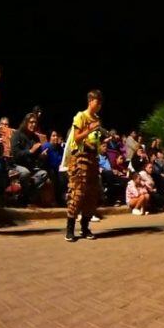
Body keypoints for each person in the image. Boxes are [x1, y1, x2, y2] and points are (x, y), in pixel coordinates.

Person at [62, 90, 105, 241]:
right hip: (80, 159)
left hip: (93, 159)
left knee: (92, 194)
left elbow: (96, 141)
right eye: (97, 101)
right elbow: (77, 137)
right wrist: (91, 129)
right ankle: (70, 229)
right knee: (77, 193)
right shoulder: (81, 116)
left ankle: (85, 228)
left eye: (101, 102)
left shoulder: (97, 119)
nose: (99, 104)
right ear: (90, 100)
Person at [10, 113, 51, 207]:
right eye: (31, 122)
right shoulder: (17, 134)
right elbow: (16, 154)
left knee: (43, 174)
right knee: (25, 173)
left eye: (35, 122)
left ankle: (25, 196)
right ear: (26, 122)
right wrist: (30, 151)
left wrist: (41, 156)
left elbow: (36, 158)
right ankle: (25, 198)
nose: (33, 124)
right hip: (16, 165)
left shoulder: (35, 138)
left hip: (30, 167)